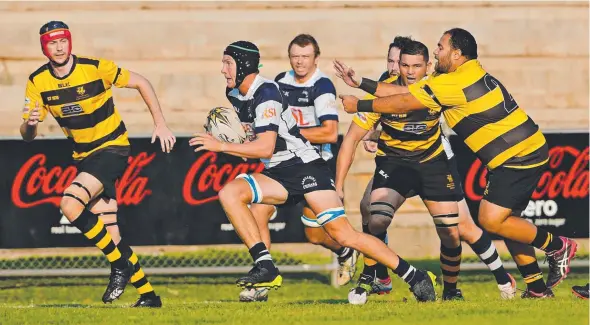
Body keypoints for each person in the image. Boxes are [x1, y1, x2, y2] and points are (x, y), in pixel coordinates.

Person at [190, 40, 437, 303]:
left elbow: (265, 147)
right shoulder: (235, 94)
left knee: (343, 234)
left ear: (243, 65)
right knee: (229, 193)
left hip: (305, 166)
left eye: (228, 63)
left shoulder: (267, 93)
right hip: (278, 171)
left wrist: (222, 145)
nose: (222, 70)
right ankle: (266, 266)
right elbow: (260, 143)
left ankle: (415, 276)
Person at [338, 28, 577, 298]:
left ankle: (558, 246)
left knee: (490, 219)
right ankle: (537, 289)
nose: (436, 50)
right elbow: (406, 91)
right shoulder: (459, 74)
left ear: (456, 54)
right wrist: (361, 83)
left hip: (517, 155)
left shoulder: (450, 84)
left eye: (440, 47)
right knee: (509, 221)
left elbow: (406, 100)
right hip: (522, 151)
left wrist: (360, 105)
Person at [20, 21, 175, 307]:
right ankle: (149, 295)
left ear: (70, 42)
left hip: (113, 148)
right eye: (52, 43)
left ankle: (119, 267)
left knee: (70, 203)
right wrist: (28, 126)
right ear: (45, 48)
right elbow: (28, 136)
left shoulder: (95, 67)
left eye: (63, 40)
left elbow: (142, 82)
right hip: (84, 156)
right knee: (111, 232)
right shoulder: (38, 81)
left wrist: (161, 124)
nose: (59, 46)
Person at [337, 40, 464, 303]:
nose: (409, 71)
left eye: (416, 66)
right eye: (404, 65)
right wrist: (338, 186)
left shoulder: (438, 87)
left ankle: (451, 290)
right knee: (377, 218)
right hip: (394, 163)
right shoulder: (381, 93)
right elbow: (350, 140)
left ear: (427, 67)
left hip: (432, 163)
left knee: (451, 231)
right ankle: (369, 275)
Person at [239, 34, 357, 302]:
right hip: (283, 164)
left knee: (315, 235)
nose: (300, 61)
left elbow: (329, 133)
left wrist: (289, 132)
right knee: (258, 211)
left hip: (314, 166)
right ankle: (263, 279)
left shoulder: (323, 86)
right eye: (295, 56)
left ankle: (346, 251)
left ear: (316, 58)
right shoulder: (280, 82)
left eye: (305, 56)